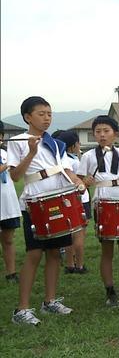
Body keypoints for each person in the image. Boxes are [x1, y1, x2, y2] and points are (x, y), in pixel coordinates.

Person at [8, 96, 82, 325]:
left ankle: (49, 301)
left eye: (49, 114)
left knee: (53, 253)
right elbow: (15, 176)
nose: (47, 118)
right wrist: (30, 152)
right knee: (34, 253)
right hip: (34, 203)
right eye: (41, 114)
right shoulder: (17, 141)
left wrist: (78, 182)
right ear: (27, 117)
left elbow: (66, 171)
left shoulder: (56, 144)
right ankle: (22, 309)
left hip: (58, 200)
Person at [78, 116, 119, 307]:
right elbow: (79, 181)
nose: (102, 135)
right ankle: (110, 291)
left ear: (116, 134)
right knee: (107, 250)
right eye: (98, 132)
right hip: (103, 203)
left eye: (106, 131)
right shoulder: (88, 156)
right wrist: (83, 183)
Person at [53, 130, 89, 273]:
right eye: (78, 143)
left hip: (65, 200)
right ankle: (79, 265)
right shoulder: (73, 161)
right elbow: (80, 181)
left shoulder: (59, 161)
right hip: (80, 200)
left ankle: (69, 264)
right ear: (72, 146)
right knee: (80, 234)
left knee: (68, 234)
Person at [0, 120, 21, 283]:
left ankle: (11, 273)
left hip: (8, 203)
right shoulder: (9, 159)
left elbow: (18, 174)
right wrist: (9, 164)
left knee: (8, 239)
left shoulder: (6, 153)